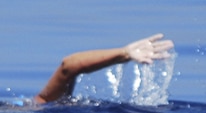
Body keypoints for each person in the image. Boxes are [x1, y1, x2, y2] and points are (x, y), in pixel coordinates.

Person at [30, 33, 175, 105]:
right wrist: (124, 52)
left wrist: (124, 53)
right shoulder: (42, 102)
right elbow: (68, 66)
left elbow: (68, 66)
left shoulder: (34, 106)